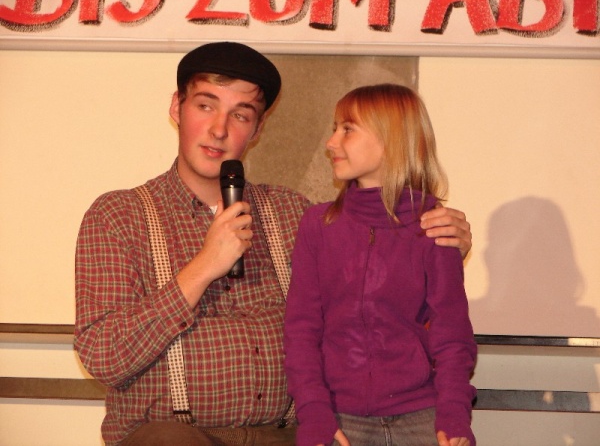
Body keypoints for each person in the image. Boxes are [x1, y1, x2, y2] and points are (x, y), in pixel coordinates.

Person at [74, 43, 473, 446]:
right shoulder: (119, 216)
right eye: (206, 106)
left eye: (241, 114)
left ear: (257, 129)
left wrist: (441, 238)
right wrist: (202, 268)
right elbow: (103, 357)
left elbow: (379, 283)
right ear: (178, 107)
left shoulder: (294, 212)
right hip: (177, 434)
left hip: (290, 432)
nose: (219, 130)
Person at [284, 84, 477, 446]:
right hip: (339, 418)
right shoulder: (318, 225)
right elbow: (301, 331)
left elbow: (452, 337)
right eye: (335, 128)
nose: (331, 142)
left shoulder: (435, 227)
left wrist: (453, 416)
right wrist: (314, 414)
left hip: (421, 416)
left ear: (391, 139)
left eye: (347, 129)